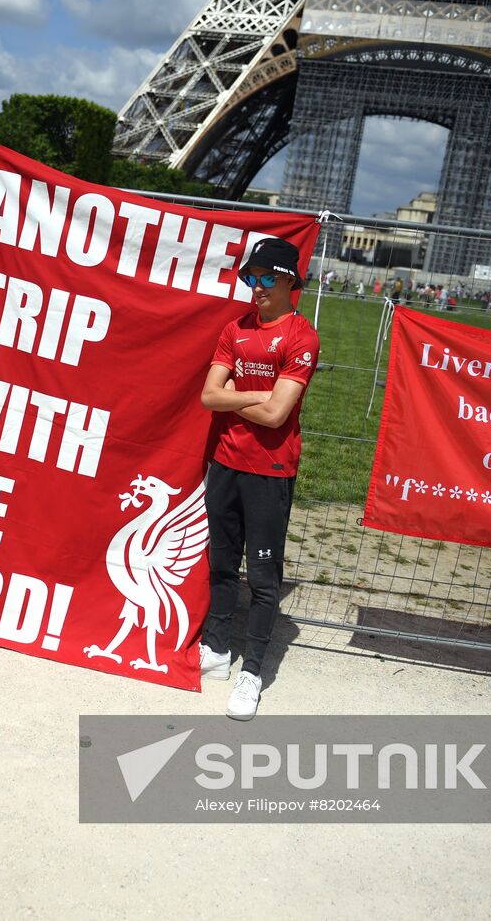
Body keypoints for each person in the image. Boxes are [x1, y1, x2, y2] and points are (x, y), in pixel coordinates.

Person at [196, 237, 320, 721]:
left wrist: (241, 394)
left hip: (269, 471)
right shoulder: (235, 329)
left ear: (291, 281)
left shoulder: (301, 337)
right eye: (251, 277)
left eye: (268, 277)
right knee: (221, 564)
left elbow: (276, 417)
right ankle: (217, 650)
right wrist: (260, 393)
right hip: (226, 463)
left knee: (264, 578)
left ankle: (252, 672)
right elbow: (209, 397)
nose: (257, 286)